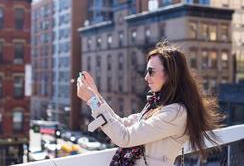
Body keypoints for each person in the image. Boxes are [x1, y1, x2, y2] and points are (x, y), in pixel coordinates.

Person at [77, 42, 223, 166]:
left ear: (170, 74)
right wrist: (96, 96)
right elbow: (124, 124)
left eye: (151, 71)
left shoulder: (175, 113)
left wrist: (93, 101)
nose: (146, 77)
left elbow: (125, 137)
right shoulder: (156, 106)